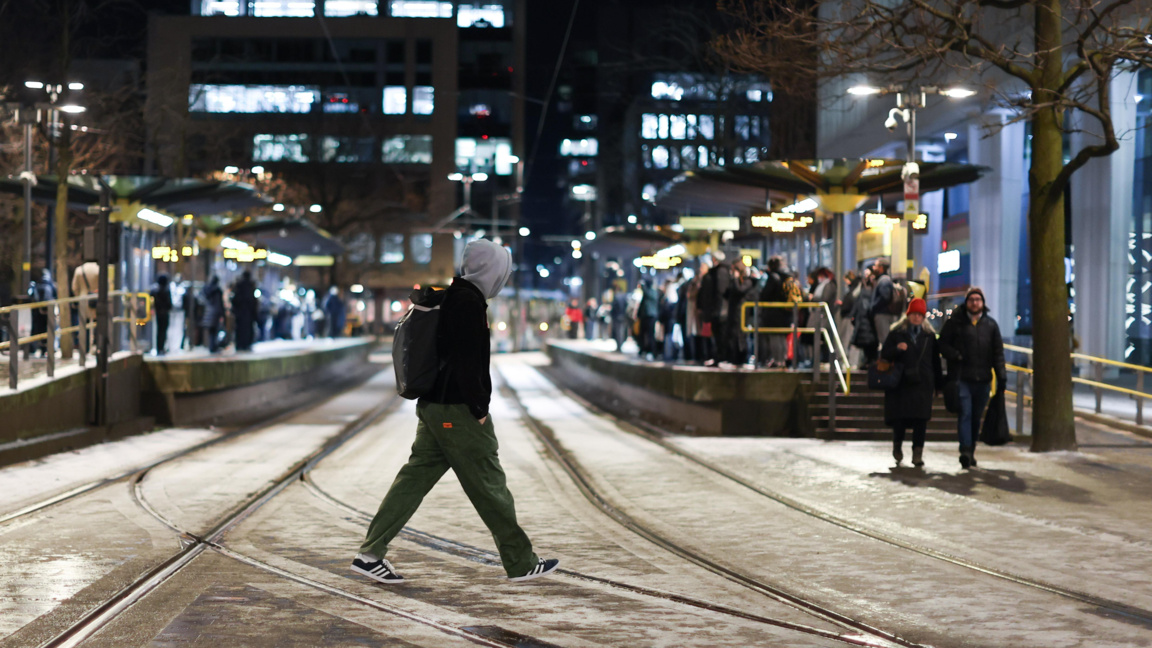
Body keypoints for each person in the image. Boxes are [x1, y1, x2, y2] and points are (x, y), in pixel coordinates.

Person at [353, 239, 558, 584]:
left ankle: (369, 553)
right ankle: (521, 561)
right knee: (489, 483)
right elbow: (465, 362)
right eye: (502, 271)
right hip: (457, 410)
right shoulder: (467, 303)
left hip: (436, 407)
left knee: (414, 479)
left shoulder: (455, 295)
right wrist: (479, 407)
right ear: (491, 271)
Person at [938, 286, 1006, 469]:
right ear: (966, 302)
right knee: (966, 414)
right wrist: (955, 355)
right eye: (971, 300)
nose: (975, 303)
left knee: (976, 418)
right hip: (962, 379)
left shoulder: (991, 325)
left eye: (978, 300)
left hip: (983, 380)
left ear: (983, 303)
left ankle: (971, 450)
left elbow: (998, 353)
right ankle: (965, 451)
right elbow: (942, 344)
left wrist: (1002, 376)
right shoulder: (955, 323)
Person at [880, 298, 943, 468]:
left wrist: (938, 384)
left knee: (920, 421)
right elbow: (884, 355)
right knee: (900, 420)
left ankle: (917, 454)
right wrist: (897, 349)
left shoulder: (929, 336)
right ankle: (897, 446)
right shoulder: (896, 333)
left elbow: (935, 361)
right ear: (908, 315)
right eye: (914, 314)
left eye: (920, 315)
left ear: (924, 317)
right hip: (901, 383)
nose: (916, 317)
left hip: (923, 383)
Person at [696, 252, 730, 366]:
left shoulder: (718, 273)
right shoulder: (719, 272)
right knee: (717, 334)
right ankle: (719, 357)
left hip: (717, 310)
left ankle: (720, 357)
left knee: (719, 335)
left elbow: (719, 292)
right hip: (717, 309)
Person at [759, 256, 792, 368]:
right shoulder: (787, 276)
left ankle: (778, 360)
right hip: (785, 312)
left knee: (774, 337)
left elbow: (765, 295)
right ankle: (783, 359)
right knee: (781, 337)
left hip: (773, 313)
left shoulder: (773, 277)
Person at [851, 272, 879, 367]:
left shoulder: (865, 292)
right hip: (868, 324)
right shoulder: (872, 291)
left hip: (865, 323)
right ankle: (869, 363)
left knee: (868, 349)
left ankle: (867, 363)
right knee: (870, 349)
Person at [869, 257, 898, 347]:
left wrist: (873, 307)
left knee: (885, 340)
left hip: (883, 314)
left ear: (881, 268)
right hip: (883, 313)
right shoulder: (883, 280)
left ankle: (887, 360)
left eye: (876, 266)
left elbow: (884, 297)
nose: (874, 268)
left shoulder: (884, 281)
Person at [29, 269, 57, 357]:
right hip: (49, 311)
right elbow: (55, 296)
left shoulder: (36, 284)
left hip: (37, 311)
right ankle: (47, 349)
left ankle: (37, 348)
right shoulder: (51, 284)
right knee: (48, 329)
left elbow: (31, 296)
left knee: (38, 329)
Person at [231, 271, 259, 351]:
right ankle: (247, 344)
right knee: (248, 330)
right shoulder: (251, 286)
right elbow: (253, 302)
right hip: (248, 314)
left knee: (240, 330)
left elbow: (235, 300)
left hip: (240, 314)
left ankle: (240, 344)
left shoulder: (239, 286)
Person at [200, 276, 225, 353]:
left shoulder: (207, 290)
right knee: (215, 330)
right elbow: (219, 303)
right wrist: (222, 314)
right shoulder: (217, 291)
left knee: (211, 331)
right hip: (215, 313)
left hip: (208, 312)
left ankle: (212, 346)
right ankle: (213, 347)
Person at [150, 274, 173, 355]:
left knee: (158, 331)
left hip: (157, 313)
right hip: (165, 313)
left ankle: (158, 347)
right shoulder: (166, 290)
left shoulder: (154, 290)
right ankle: (161, 348)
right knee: (163, 331)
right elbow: (170, 304)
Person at [637, 278, 660, 358]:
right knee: (642, 334)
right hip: (646, 316)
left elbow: (646, 293)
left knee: (650, 334)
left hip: (650, 316)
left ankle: (651, 351)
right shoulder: (650, 292)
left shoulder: (652, 292)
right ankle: (643, 349)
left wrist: (643, 286)